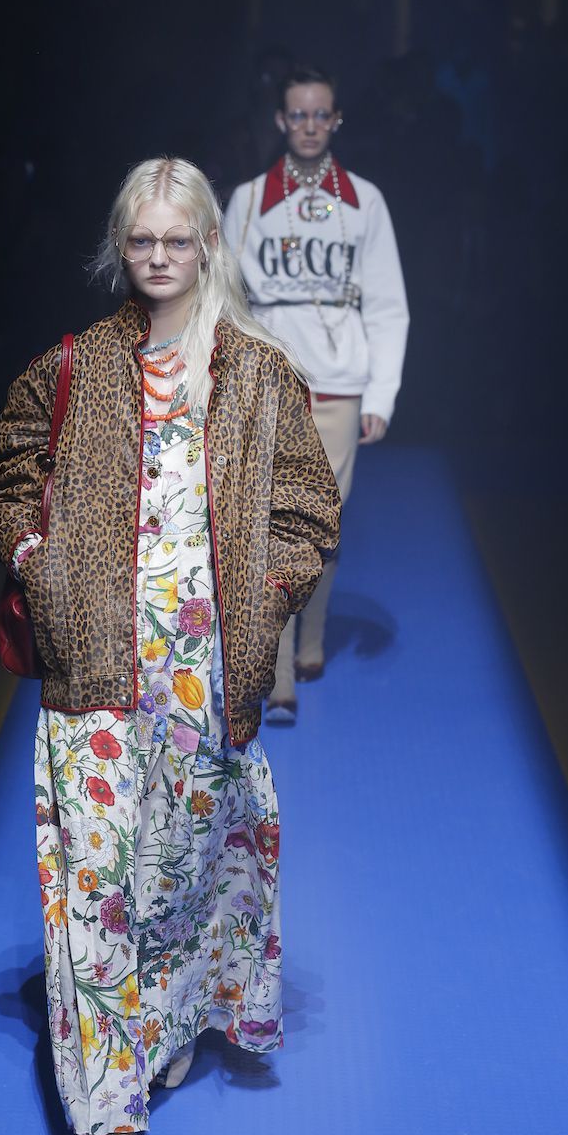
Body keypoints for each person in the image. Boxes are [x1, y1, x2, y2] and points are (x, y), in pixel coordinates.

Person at [0, 158, 339, 1135]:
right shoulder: (74, 367)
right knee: (95, 879)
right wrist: (37, 559)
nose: (160, 257)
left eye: (179, 240)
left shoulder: (257, 375)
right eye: (143, 241)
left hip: (204, 669)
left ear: (208, 245)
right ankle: (115, 1122)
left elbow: (307, 510)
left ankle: (171, 1016)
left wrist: (268, 596)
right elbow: (3, 483)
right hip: (91, 664)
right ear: (119, 247)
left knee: (179, 863)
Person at [224, 64, 408, 722]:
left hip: (340, 384)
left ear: (335, 120)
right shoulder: (249, 200)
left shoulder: (365, 202)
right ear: (281, 120)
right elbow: (225, 299)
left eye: (319, 114)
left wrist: (381, 394)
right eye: (297, 114)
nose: (308, 125)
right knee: (275, 520)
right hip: (270, 381)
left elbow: (386, 304)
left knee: (322, 522)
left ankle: (313, 637)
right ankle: (278, 670)